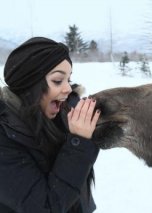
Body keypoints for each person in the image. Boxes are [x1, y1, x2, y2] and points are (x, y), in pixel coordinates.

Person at [0, 37, 101, 213]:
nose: (68, 88)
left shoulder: (60, 113)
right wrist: (78, 143)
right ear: (30, 84)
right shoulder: (4, 136)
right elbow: (46, 206)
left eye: (69, 79)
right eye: (57, 80)